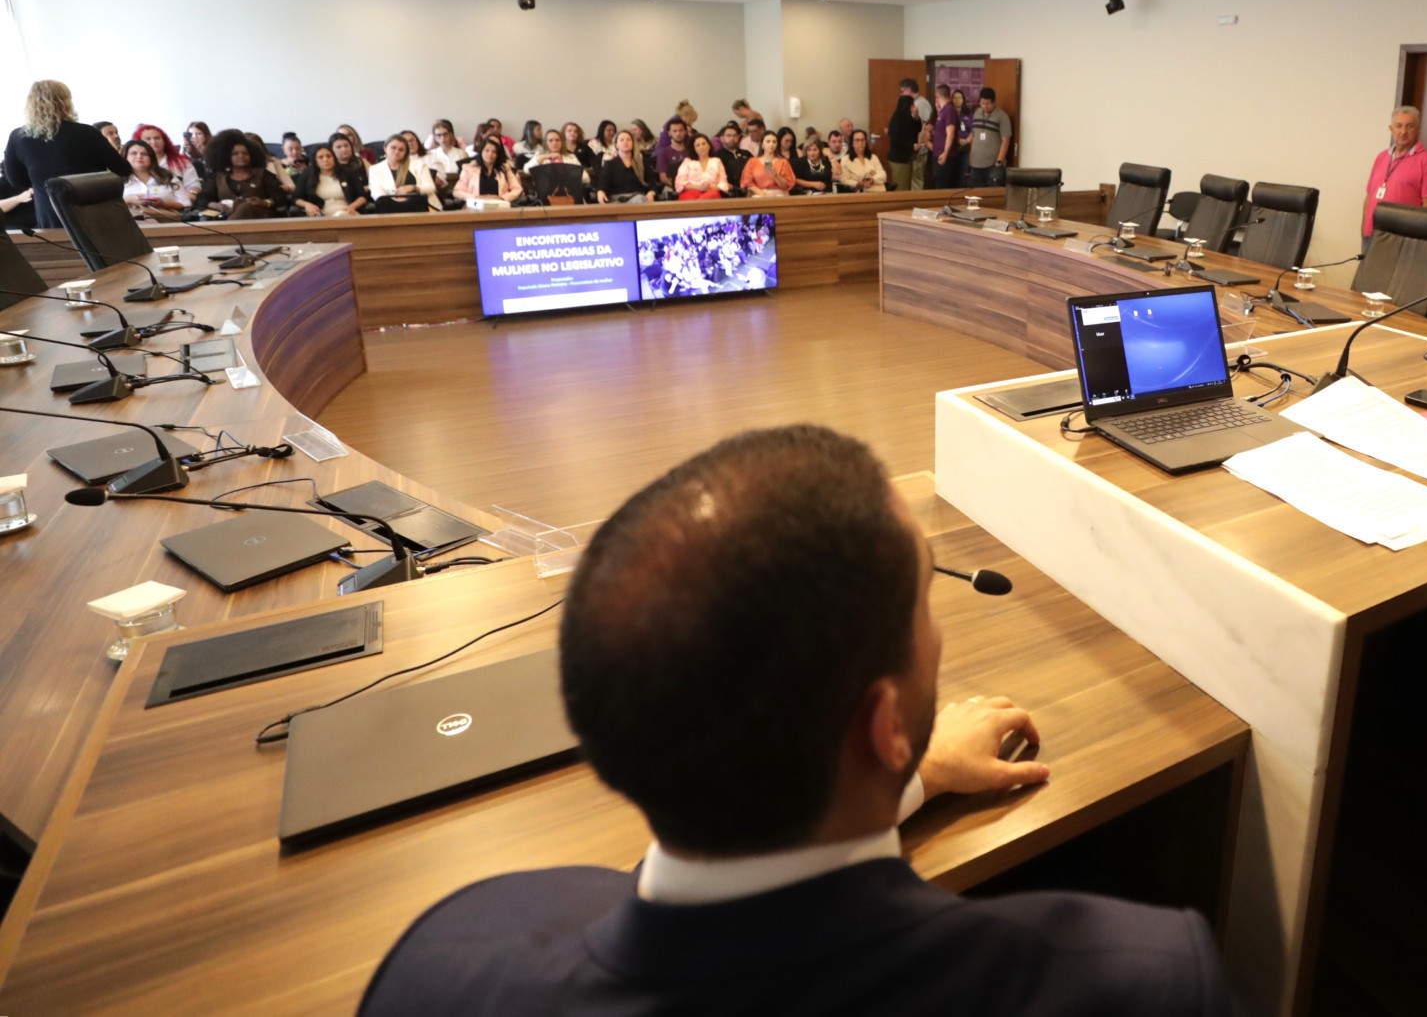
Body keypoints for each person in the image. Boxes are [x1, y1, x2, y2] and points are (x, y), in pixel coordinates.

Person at [358, 426, 1228, 1017]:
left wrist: (906, 777)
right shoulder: (1143, 980)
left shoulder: (445, 962)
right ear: (885, 723)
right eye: (922, 599)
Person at [2, 80, 131, 229]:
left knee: (60, 244)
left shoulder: (18, 137)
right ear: (66, 102)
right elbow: (122, 169)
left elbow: (15, 179)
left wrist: (40, 181)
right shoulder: (87, 132)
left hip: (49, 210)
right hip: (91, 207)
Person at [1359, 105, 1427, 237]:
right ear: (1391, 129)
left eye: (1410, 126)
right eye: (1398, 126)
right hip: (1372, 233)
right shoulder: (1382, 157)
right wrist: (1364, 229)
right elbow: (1369, 196)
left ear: (1418, 129)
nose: (1403, 131)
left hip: (1401, 237)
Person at [195, 130, 289, 219]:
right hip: (225, 216)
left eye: (245, 153)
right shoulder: (217, 177)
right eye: (235, 154)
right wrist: (214, 205)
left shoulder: (263, 174)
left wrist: (264, 202)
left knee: (247, 206)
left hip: (260, 217)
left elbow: (280, 197)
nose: (241, 156)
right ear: (226, 156)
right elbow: (202, 199)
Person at [120, 138, 192, 220]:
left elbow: (185, 203)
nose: (139, 156)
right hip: (127, 222)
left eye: (144, 154)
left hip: (166, 222)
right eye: (133, 153)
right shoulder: (116, 178)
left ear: (151, 158)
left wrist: (163, 204)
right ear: (125, 156)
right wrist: (129, 200)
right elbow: (108, 204)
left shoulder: (167, 176)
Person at [368, 134, 440, 212]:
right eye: (393, 148)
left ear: (406, 152)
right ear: (385, 148)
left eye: (401, 149)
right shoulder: (375, 169)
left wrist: (412, 188)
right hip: (390, 209)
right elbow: (377, 193)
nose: (396, 151)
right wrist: (396, 201)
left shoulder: (419, 164)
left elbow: (430, 187)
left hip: (423, 207)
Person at [292, 143, 364, 217]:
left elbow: (362, 196)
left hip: (346, 211)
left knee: (341, 215)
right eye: (321, 157)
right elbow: (296, 198)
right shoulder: (308, 175)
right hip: (319, 213)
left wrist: (353, 206)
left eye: (329, 156)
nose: (325, 159)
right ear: (315, 160)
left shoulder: (348, 173)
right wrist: (307, 205)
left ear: (334, 158)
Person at [134, 123, 201, 198]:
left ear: (164, 141)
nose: (154, 142)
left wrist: (191, 194)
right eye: (148, 139)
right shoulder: (134, 163)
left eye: (157, 138)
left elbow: (193, 184)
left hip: (177, 202)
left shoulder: (181, 162)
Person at [964, 86, 1013, 187]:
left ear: (994, 102)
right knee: (975, 193)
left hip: (993, 165)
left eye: (988, 104)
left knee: (992, 193)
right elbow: (974, 134)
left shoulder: (1002, 117)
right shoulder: (977, 113)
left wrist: (999, 162)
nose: (985, 106)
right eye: (982, 103)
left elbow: (1006, 141)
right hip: (976, 164)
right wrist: (970, 156)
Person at [454, 136, 523, 205]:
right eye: (487, 150)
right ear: (481, 152)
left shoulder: (505, 169)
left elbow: (517, 189)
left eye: (494, 152)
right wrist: (475, 198)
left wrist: (502, 198)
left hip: (500, 206)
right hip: (476, 206)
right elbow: (457, 191)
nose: (490, 154)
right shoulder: (469, 169)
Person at [594, 130, 654, 202]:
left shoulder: (642, 162)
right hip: (617, 200)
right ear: (616, 144)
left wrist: (651, 193)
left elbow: (652, 184)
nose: (625, 142)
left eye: (628, 140)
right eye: (622, 140)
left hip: (638, 197)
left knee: (640, 199)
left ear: (633, 143)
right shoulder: (610, 164)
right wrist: (600, 192)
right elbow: (602, 185)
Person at [929, 84, 964, 190]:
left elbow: (951, 133)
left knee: (943, 186)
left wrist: (945, 153)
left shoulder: (949, 110)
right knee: (938, 184)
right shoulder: (943, 111)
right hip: (938, 154)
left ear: (937, 96)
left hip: (945, 156)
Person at [674, 133, 726, 200]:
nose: (701, 147)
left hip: (711, 193)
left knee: (713, 193)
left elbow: (723, 183)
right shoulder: (687, 162)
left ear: (709, 146)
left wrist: (710, 187)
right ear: (694, 149)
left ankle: (698, 203)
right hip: (690, 193)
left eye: (704, 144)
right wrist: (699, 187)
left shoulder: (717, 161)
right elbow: (679, 182)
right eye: (698, 145)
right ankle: (698, 203)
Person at [741, 132, 793, 197]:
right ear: (762, 144)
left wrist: (776, 176)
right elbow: (748, 183)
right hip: (759, 194)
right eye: (768, 141)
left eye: (774, 142)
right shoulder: (752, 162)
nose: (771, 144)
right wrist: (764, 195)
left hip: (779, 194)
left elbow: (785, 186)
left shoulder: (783, 162)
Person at [886, 90, 919, 192]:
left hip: (906, 157)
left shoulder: (907, 117)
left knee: (906, 186)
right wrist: (911, 146)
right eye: (912, 105)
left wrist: (916, 115)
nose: (913, 107)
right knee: (901, 187)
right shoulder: (897, 119)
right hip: (898, 158)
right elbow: (895, 141)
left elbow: (917, 128)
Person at [841, 129, 887, 193]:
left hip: (878, 191)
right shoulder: (846, 160)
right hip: (860, 192)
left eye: (862, 140)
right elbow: (844, 180)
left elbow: (883, 175)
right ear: (852, 143)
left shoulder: (873, 157)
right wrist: (858, 183)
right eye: (857, 140)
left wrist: (873, 180)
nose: (860, 143)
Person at [714, 123, 749, 197]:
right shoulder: (716, 156)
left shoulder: (746, 153)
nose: (732, 138)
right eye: (728, 135)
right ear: (722, 138)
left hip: (748, 189)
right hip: (726, 192)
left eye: (734, 135)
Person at [653, 116, 692, 183]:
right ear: (669, 133)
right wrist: (677, 186)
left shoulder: (692, 150)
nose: (678, 133)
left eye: (681, 130)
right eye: (674, 131)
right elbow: (663, 178)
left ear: (685, 132)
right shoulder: (663, 152)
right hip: (672, 186)